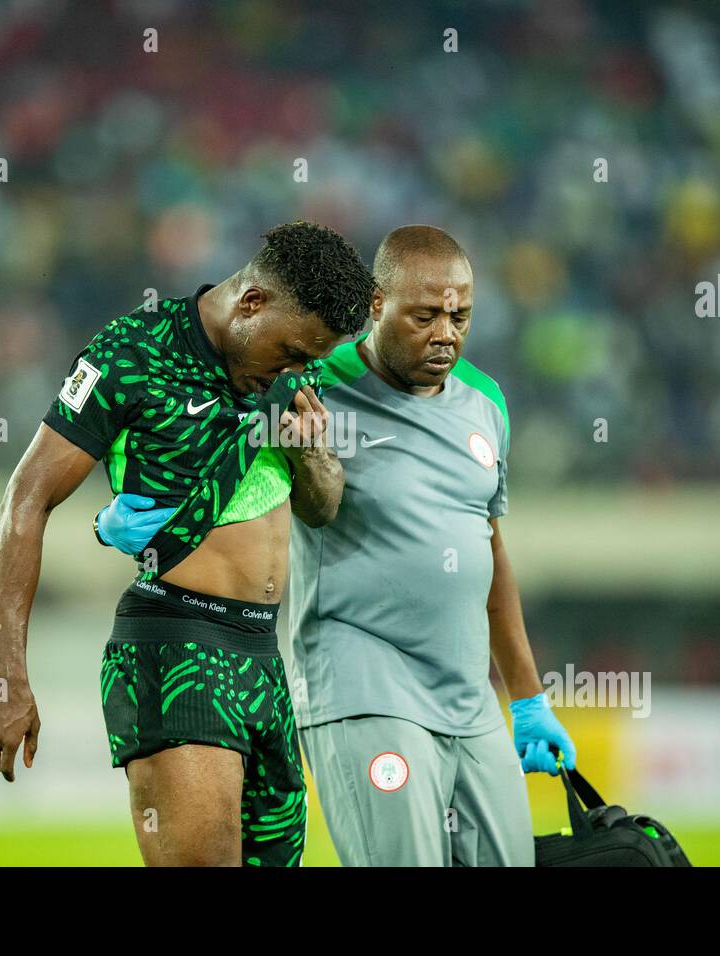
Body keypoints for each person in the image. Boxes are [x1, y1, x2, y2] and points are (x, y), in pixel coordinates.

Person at [0, 221, 375, 867]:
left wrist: (313, 450)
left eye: (313, 360)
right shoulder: (133, 352)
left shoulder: (288, 368)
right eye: (294, 351)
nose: (300, 370)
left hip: (264, 659)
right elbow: (26, 501)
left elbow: (322, 509)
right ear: (251, 303)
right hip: (177, 645)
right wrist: (5, 678)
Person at [287, 225, 574, 866]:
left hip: (469, 698)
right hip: (364, 686)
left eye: (460, 315)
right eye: (425, 315)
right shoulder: (313, 388)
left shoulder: (486, 403)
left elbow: (490, 555)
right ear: (374, 304)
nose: (446, 332)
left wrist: (527, 698)